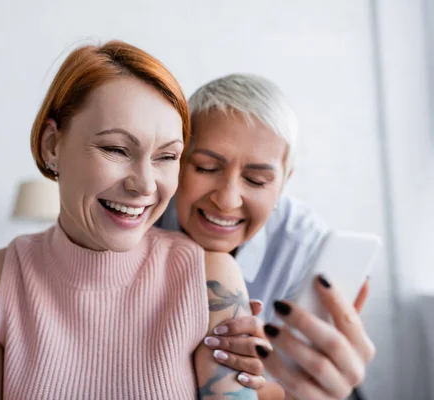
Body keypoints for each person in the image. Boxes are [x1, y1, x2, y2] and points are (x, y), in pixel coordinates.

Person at [0, 42, 259, 399]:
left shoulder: (208, 278)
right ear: (51, 145)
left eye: (167, 156)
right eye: (115, 149)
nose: (145, 184)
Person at [156, 73, 376, 400]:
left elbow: (305, 379)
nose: (227, 199)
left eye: (257, 180)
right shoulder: (141, 215)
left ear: (284, 183)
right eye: (204, 167)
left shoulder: (303, 246)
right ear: (177, 159)